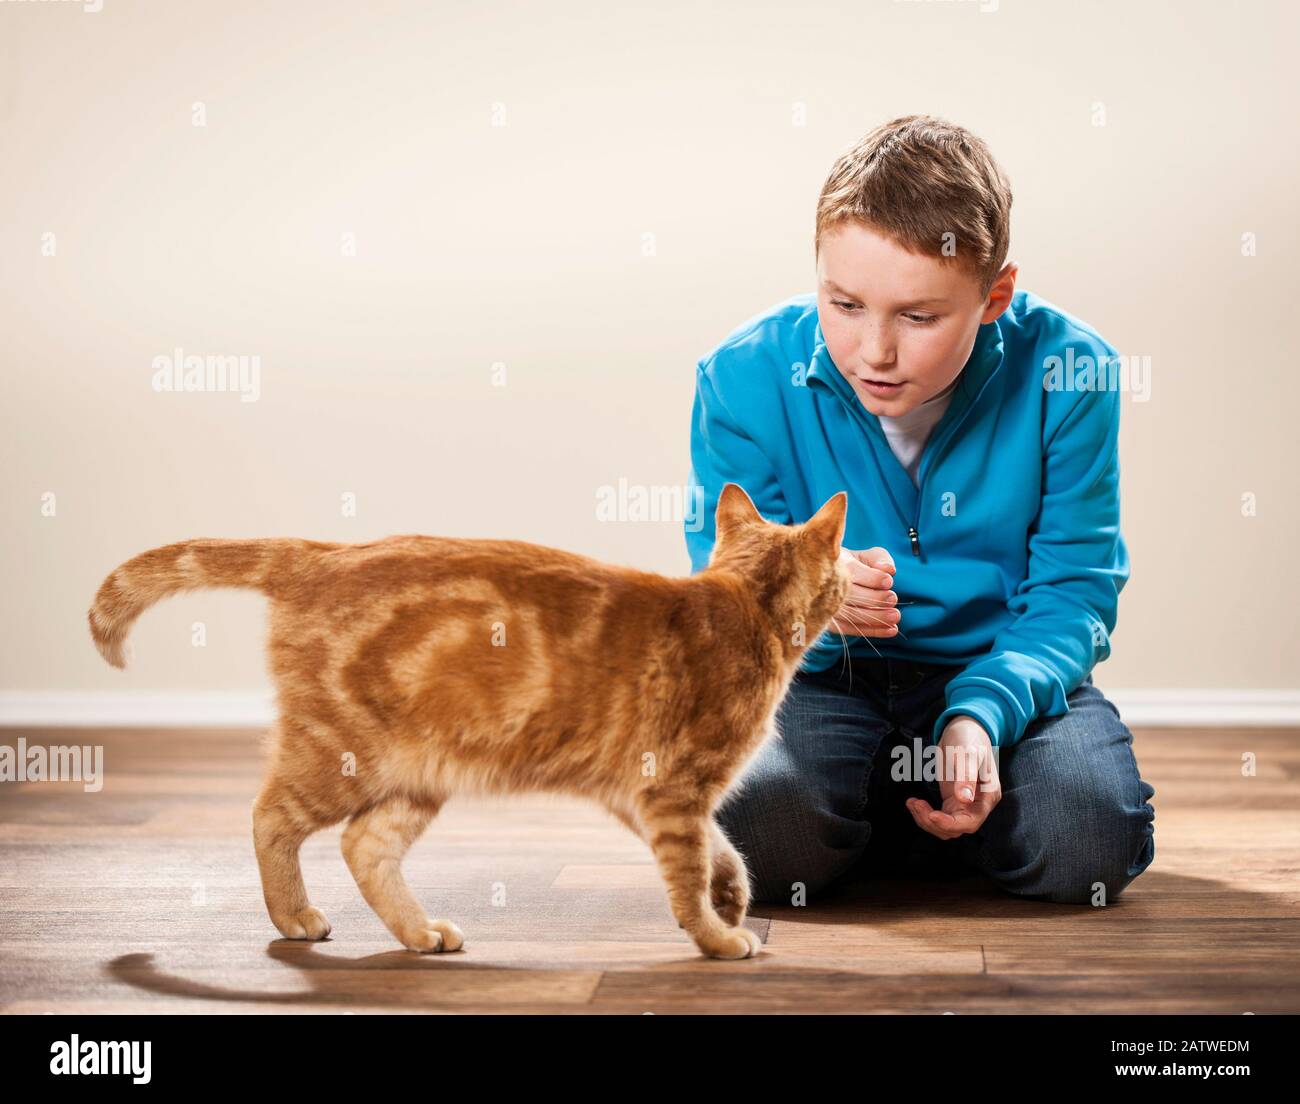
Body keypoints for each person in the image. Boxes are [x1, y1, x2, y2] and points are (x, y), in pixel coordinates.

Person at [684, 114, 1156, 907]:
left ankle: (891, 814)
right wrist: (815, 605)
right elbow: (727, 594)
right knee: (757, 833)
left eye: (919, 316)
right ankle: (911, 817)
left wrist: (981, 713)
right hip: (820, 682)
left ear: (994, 295)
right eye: (844, 304)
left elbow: (1075, 589)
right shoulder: (740, 375)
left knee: (1089, 842)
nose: (874, 351)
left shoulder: (1074, 372)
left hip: (1002, 666)